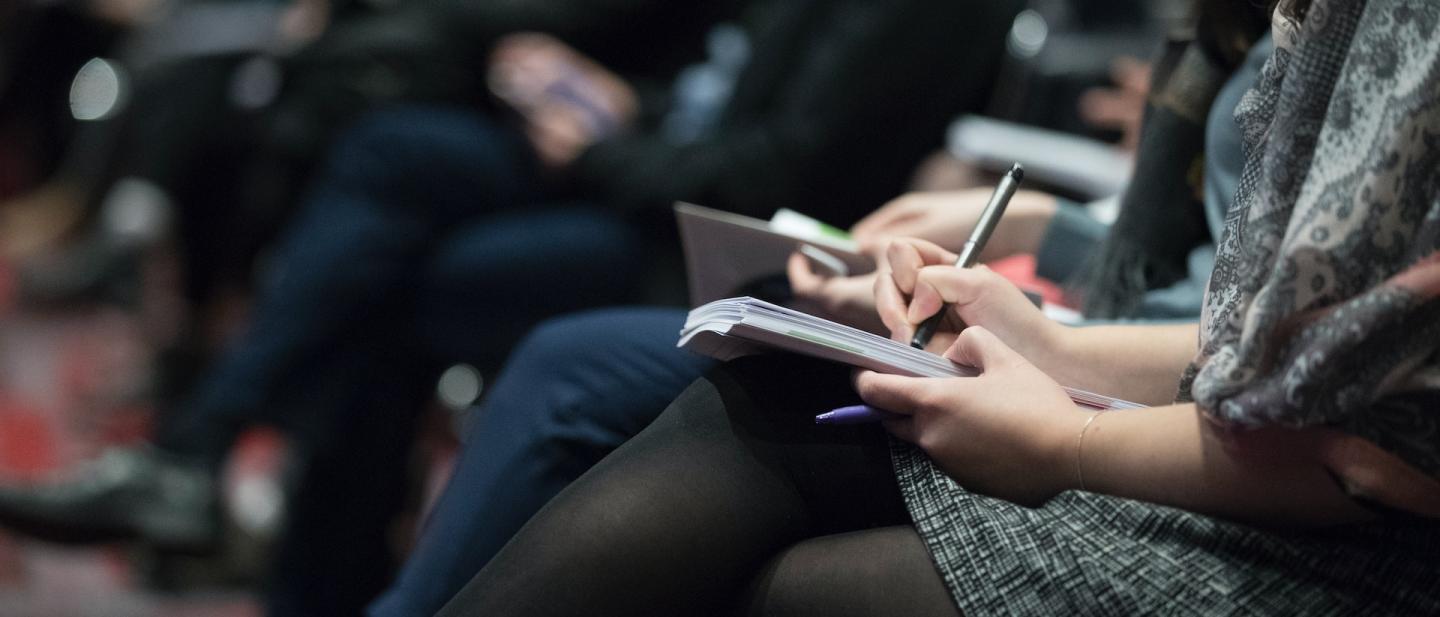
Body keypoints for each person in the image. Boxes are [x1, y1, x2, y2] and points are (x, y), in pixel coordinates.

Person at [0, 0, 1023, 614]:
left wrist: (606, 146)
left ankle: (237, 497)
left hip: (736, 252)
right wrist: (617, 104)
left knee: (409, 282)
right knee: (386, 152)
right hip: (658, 175)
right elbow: (717, 97)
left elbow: (776, 169)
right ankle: (224, 482)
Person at [430, 0, 1440, 613]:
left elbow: (1366, 437)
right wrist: (1050, 339)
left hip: (1356, 548)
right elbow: (1257, 335)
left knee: (750, 541)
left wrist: (1068, 429)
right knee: (739, 391)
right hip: (1217, 424)